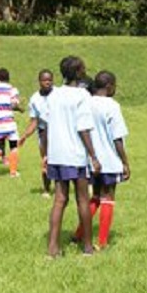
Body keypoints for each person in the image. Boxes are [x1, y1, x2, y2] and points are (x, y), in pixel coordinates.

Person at [44, 56, 100, 257]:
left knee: (59, 199)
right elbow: (83, 128)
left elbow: (48, 125)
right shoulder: (82, 95)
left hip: (57, 154)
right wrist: (93, 156)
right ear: (78, 72)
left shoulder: (53, 95)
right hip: (75, 155)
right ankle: (87, 247)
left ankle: (52, 248)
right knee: (83, 199)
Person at [77, 71, 131, 250]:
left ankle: (79, 233)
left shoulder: (87, 102)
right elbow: (117, 137)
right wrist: (125, 162)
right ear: (109, 86)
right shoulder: (112, 106)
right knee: (108, 197)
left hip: (90, 160)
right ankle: (102, 241)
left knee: (95, 196)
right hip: (109, 160)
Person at [19, 69, 54, 196]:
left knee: (60, 160)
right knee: (45, 160)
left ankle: (62, 187)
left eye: (50, 80)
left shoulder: (58, 94)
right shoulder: (35, 98)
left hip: (58, 131)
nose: (48, 82)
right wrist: (25, 136)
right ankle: (46, 189)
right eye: (45, 80)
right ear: (39, 81)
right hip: (43, 132)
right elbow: (34, 121)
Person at [0, 67, 22, 177]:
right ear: (8, 78)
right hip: (8, 121)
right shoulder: (12, 90)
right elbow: (13, 105)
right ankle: (13, 172)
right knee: (13, 147)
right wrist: (20, 109)